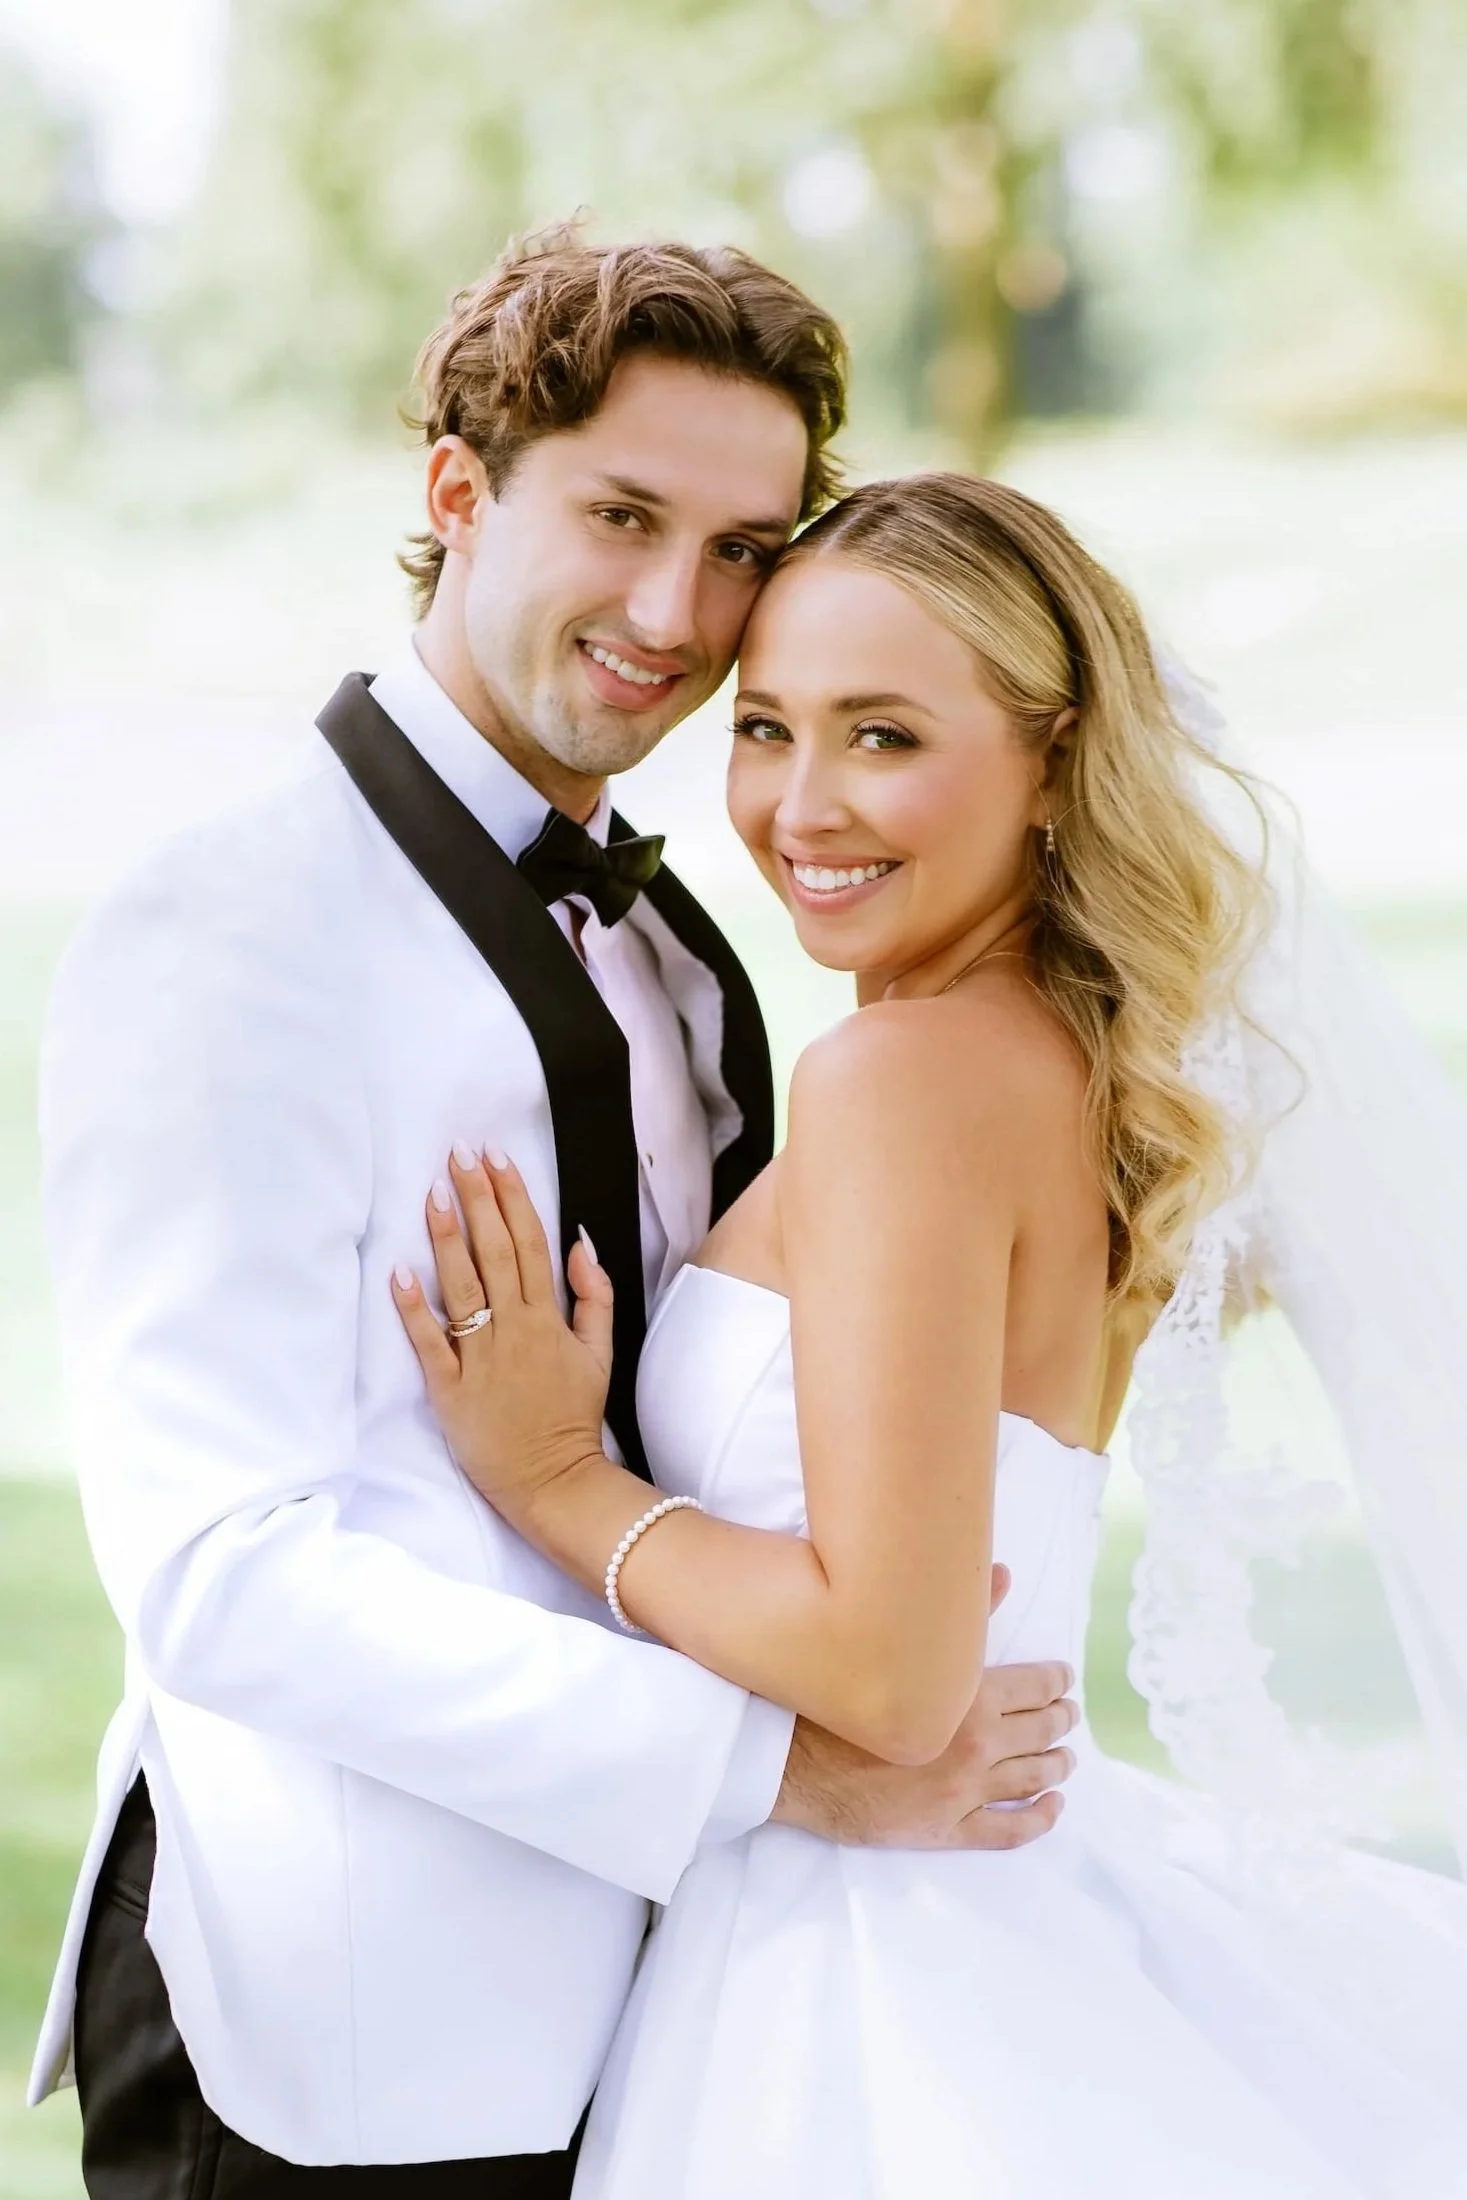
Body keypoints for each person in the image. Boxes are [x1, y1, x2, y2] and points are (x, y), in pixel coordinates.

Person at [29, 231, 1083, 2198]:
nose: (677, 612)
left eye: (744, 548)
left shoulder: (683, 962)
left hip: (685, 2017)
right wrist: (776, 1764)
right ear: (455, 491)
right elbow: (220, 1567)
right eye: (620, 514)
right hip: (349, 2034)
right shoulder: (227, 926)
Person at [394, 470, 1467, 2197]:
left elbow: (896, 1678)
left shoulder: (896, 1078)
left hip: (879, 1978)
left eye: (882, 737)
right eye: (764, 729)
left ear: (1050, 766)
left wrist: (555, 1481)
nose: (798, 807)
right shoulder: (1071, 1058)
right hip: (967, 1894)